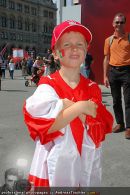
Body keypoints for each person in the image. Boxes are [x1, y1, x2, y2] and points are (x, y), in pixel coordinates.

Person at [23, 20, 113, 187]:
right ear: (56, 53)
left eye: (80, 44)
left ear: (86, 51)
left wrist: (65, 106)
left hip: (85, 163)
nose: (74, 48)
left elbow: (99, 129)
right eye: (67, 44)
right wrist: (80, 107)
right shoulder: (48, 84)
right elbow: (47, 127)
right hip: (52, 167)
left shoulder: (93, 88)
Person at [103, 13, 130, 139]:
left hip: (127, 72)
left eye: (121, 22)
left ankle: (129, 127)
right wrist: (105, 76)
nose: (119, 24)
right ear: (113, 24)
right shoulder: (109, 40)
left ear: (125, 23)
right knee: (116, 100)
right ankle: (120, 123)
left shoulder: (129, 37)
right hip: (113, 72)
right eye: (117, 22)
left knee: (128, 100)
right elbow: (106, 58)